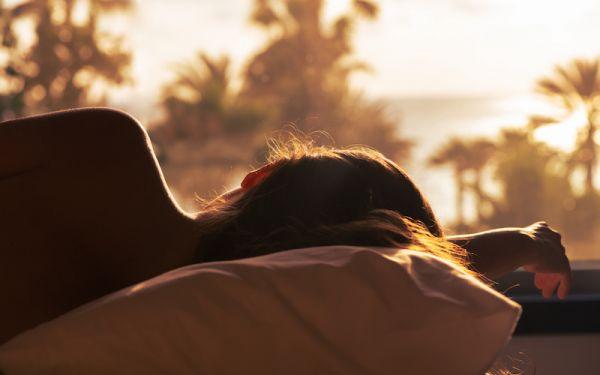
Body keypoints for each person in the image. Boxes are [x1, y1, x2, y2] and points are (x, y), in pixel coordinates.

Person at [0, 108, 571, 344]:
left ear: (257, 177)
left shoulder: (109, 151)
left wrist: (523, 241)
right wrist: (518, 243)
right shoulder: (233, 328)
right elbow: (371, 266)